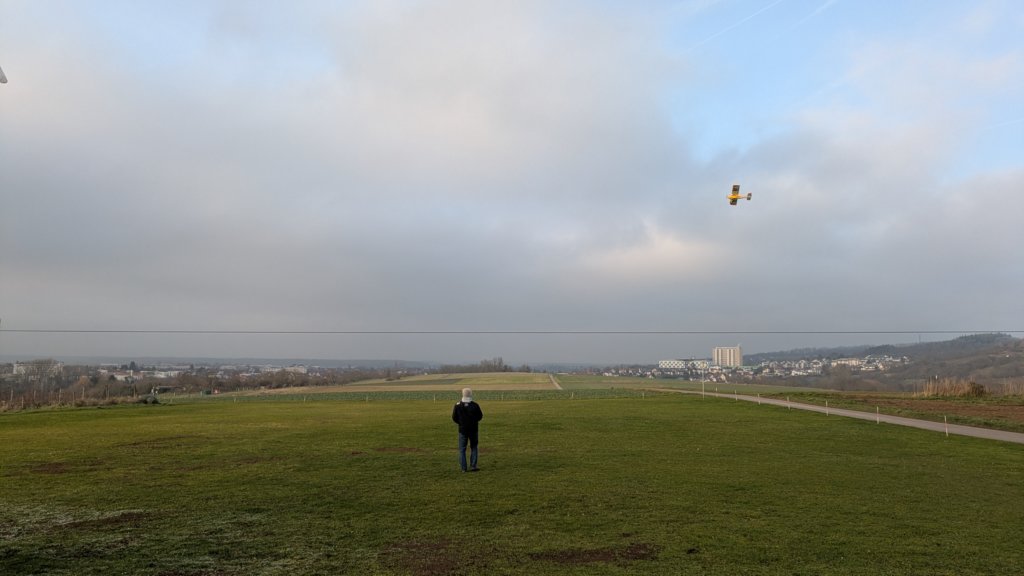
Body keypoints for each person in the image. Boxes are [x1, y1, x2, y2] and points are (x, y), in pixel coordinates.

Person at [451, 387, 483, 472]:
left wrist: (461, 423)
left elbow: (454, 417)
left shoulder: (457, 405)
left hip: (462, 430)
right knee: (474, 447)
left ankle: (463, 468)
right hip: (473, 430)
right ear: (470, 394)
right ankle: (473, 466)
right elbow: (480, 416)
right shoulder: (475, 405)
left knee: (462, 449)